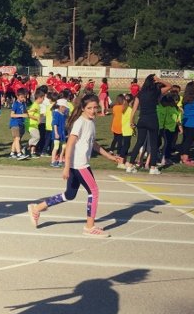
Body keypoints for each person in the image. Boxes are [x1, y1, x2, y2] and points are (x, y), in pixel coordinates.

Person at [28, 94, 123, 237]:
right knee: (94, 192)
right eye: (89, 108)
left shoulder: (90, 122)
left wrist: (110, 157)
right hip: (79, 165)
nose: (93, 111)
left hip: (78, 164)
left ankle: (37, 208)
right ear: (83, 108)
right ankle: (89, 227)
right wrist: (66, 166)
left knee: (69, 195)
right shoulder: (80, 122)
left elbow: (94, 144)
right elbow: (70, 144)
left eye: (95, 107)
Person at [125, 73, 171, 175]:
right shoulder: (157, 92)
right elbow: (169, 86)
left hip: (142, 119)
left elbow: (134, 109)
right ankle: (153, 167)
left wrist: (131, 121)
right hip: (152, 119)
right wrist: (159, 79)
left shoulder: (140, 93)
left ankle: (130, 165)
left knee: (139, 143)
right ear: (154, 82)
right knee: (153, 144)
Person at [178, 82, 194, 166]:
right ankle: (185, 158)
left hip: (185, 121)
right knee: (189, 141)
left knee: (185, 140)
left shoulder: (185, 99)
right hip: (192, 123)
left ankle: (182, 156)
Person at [8, 90, 28, 159]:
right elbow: (12, 115)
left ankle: (12, 153)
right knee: (17, 138)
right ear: (17, 96)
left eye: (24, 97)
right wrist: (22, 115)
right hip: (14, 123)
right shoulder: (15, 104)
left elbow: (25, 112)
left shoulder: (23, 104)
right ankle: (19, 153)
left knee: (16, 140)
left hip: (21, 123)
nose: (23, 99)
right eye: (21, 97)